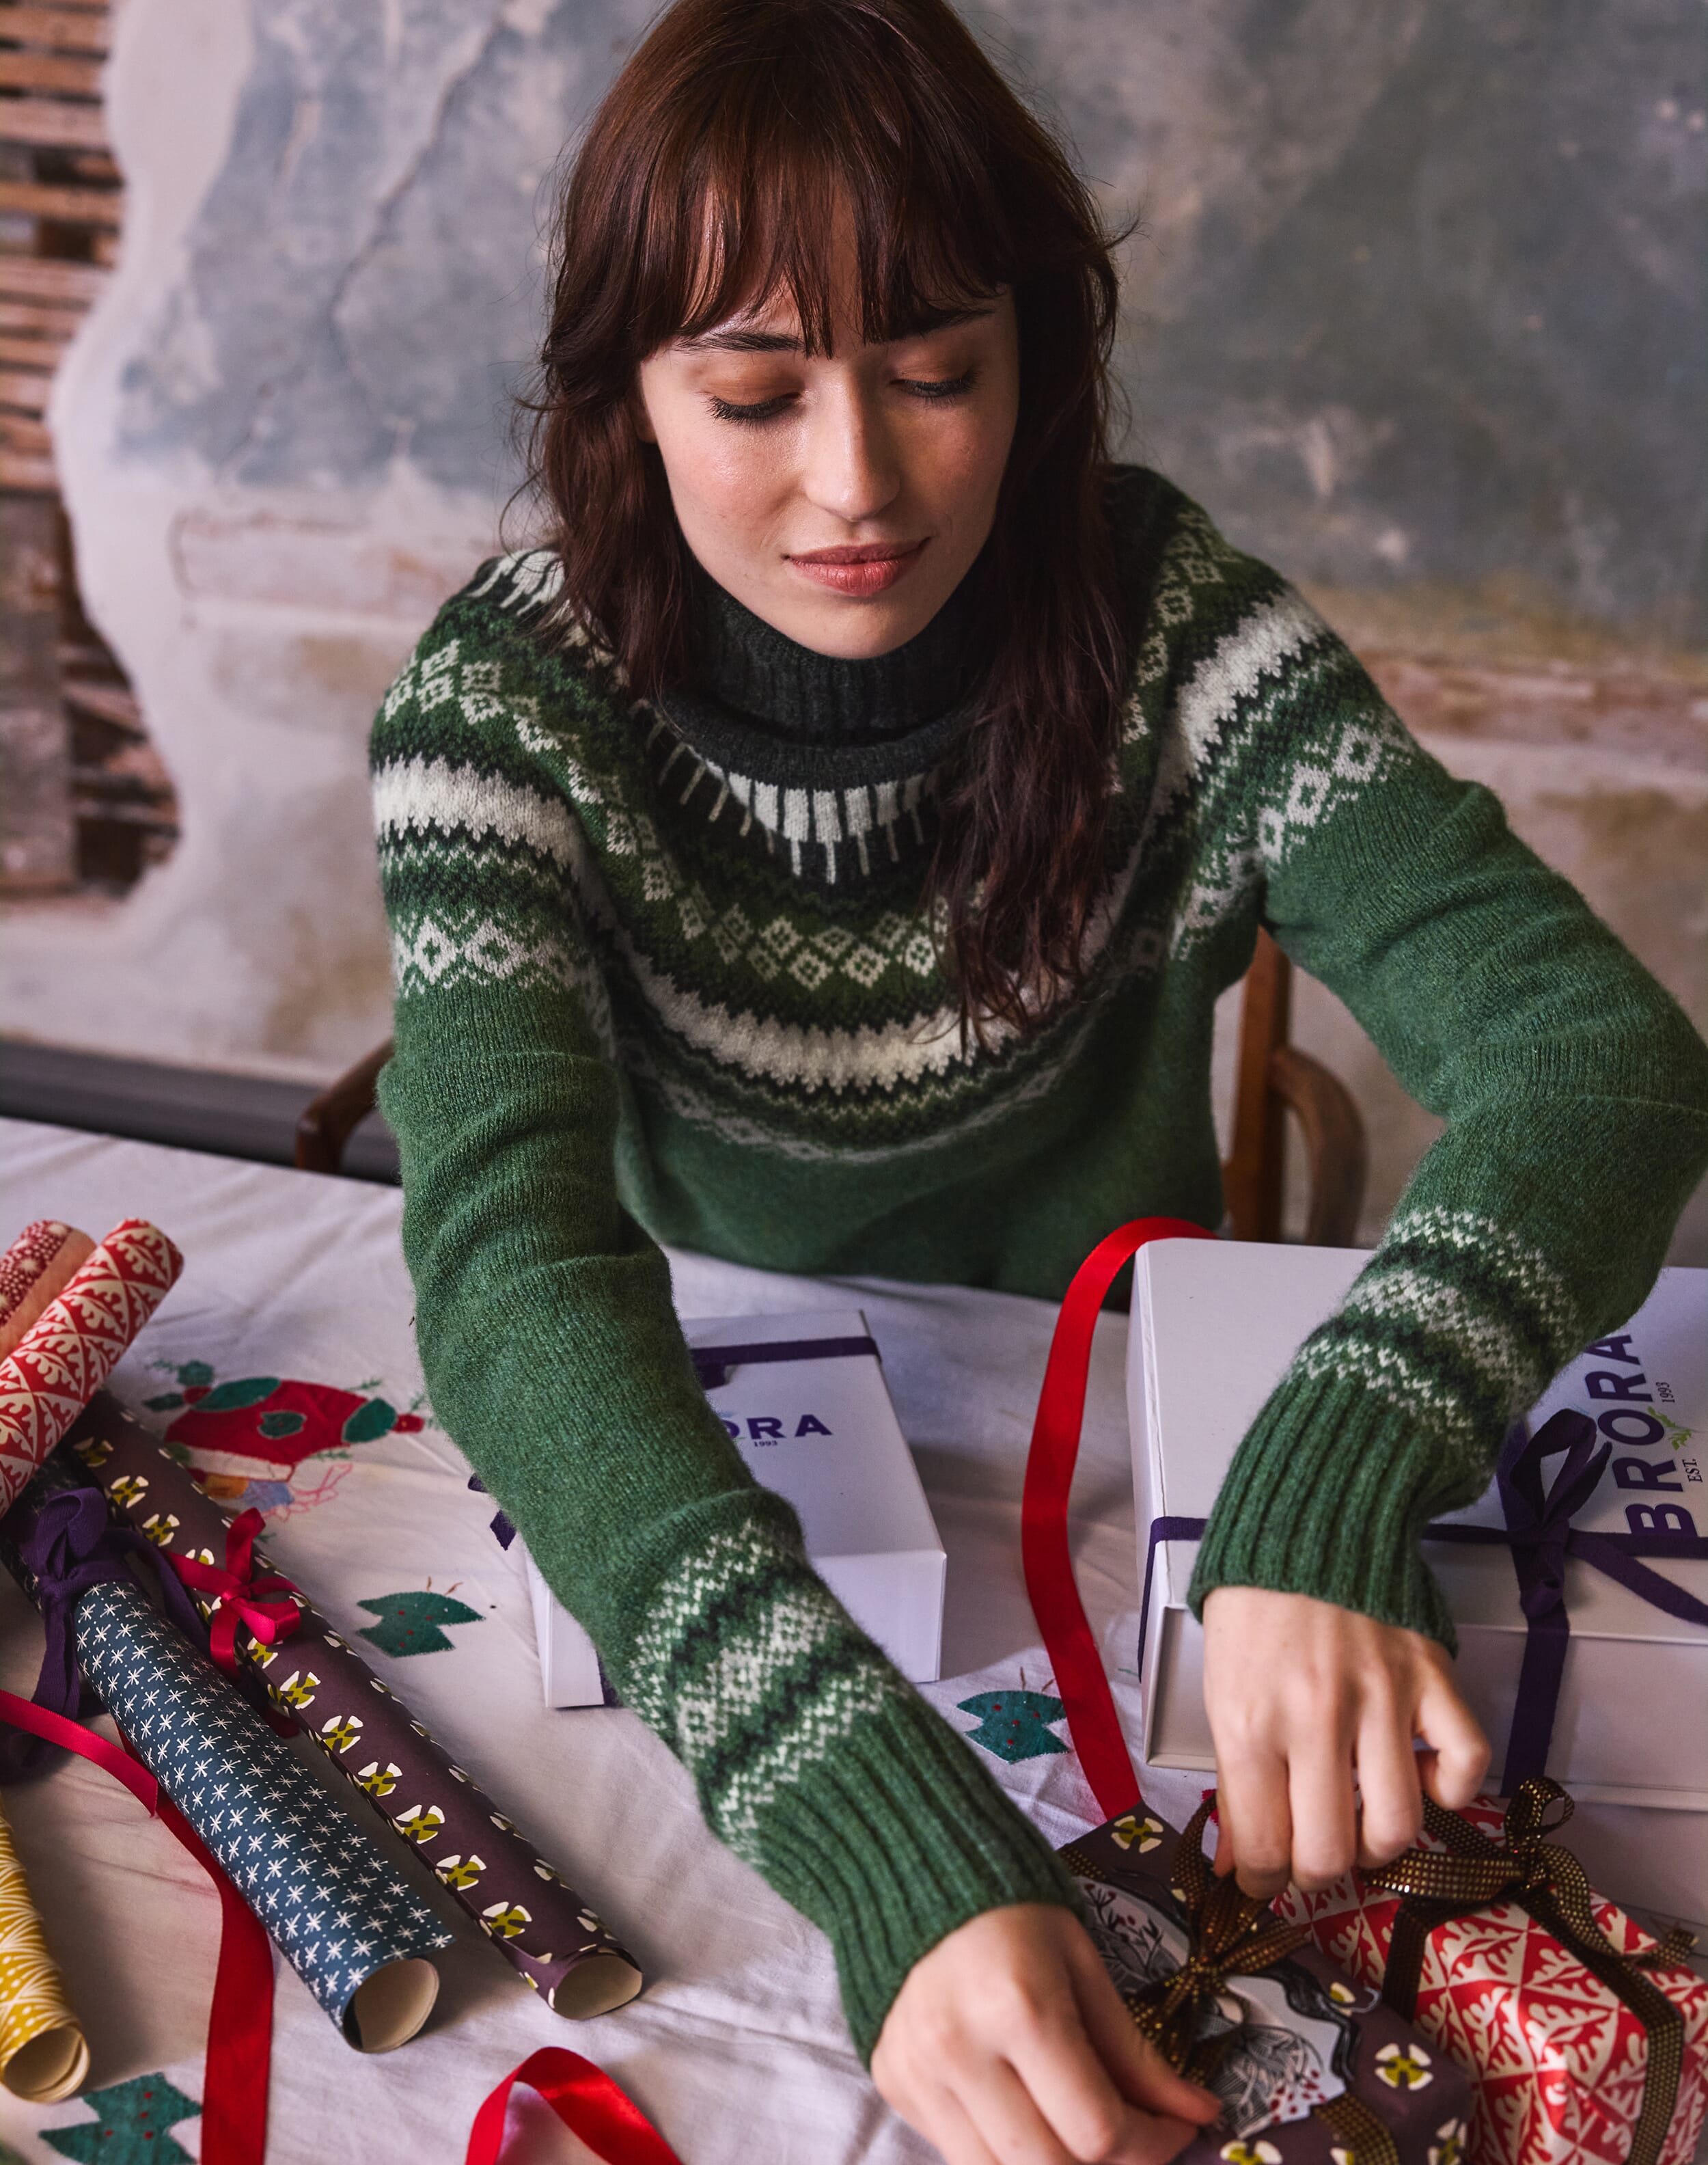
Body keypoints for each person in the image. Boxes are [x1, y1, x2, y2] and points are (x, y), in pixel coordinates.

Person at [368, 0, 1708, 2157]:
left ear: (1038, 358)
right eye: (752, 393)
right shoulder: (504, 705)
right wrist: (865, 1810)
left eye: (935, 372)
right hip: (696, 1454)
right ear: (621, 391)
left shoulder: (1178, 629)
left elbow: (1600, 1063)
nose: (856, 484)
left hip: (1133, 1461)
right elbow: (513, 1270)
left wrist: (1335, 1467)